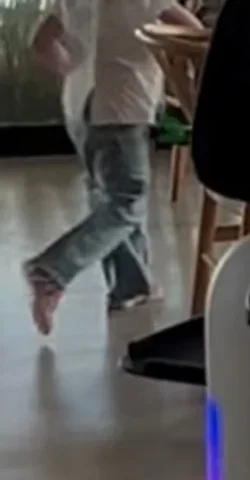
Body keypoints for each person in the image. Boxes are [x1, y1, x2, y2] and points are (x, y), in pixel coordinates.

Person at [25, 0, 203, 335]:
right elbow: (194, 33)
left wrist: (72, 69)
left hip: (80, 105)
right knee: (126, 202)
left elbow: (41, 42)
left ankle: (131, 287)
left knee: (107, 197)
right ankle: (52, 271)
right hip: (123, 105)